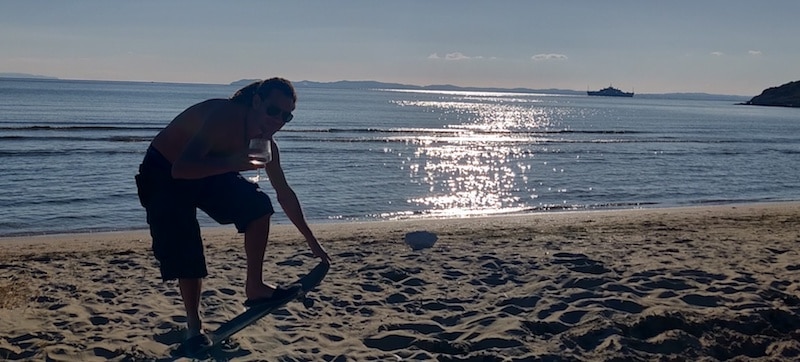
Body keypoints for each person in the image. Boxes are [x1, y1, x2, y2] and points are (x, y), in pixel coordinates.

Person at [134, 77, 330, 345]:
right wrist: (231, 163)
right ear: (256, 102)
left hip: (207, 170)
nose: (278, 121)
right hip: (163, 173)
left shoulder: (266, 145)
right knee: (186, 248)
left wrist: (312, 242)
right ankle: (194, 327)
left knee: (258, 206)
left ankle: (255, 287)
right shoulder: (224, 117)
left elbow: (284, 193)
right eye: (273, 111)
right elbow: (180, 169)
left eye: (287, 116)